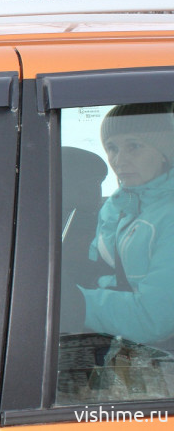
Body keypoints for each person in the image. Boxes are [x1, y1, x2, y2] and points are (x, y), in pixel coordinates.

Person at [64, 102, 174, 345]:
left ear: (164, 151)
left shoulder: (168, 215)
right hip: (122, 337)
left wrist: (75, 301)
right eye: (112, 148)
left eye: (133, 146)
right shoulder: (119, 205)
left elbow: (154, 319)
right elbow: (104, 269)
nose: (119, 160)